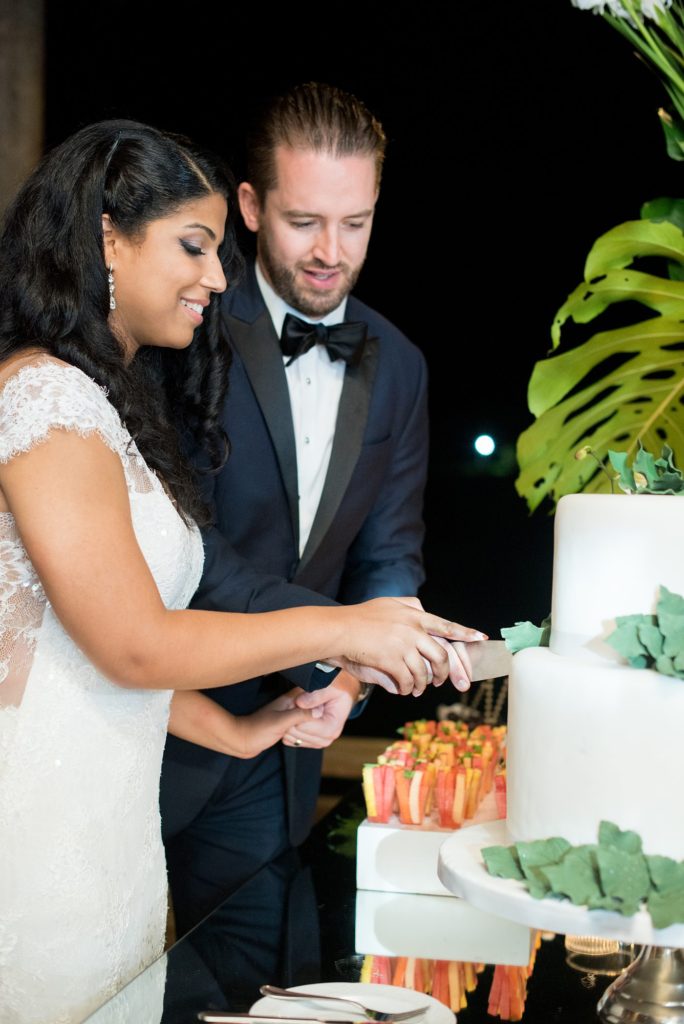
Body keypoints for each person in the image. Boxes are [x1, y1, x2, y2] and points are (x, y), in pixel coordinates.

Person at [0, 117, 481, 1024]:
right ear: (107, 237)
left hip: (148, 797)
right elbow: (135, 638)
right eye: (195, 245)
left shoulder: (112, 386)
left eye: (358, 221)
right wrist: (341, 630)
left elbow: (81, 630)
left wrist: (256, 720)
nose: (214, 276)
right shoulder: (49, 396)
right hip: (51, 815)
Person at [160, 82, 464, 935]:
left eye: (355, 223)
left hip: (284, 756)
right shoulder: (185, 326)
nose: (332, 251)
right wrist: (332, 648)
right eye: (305, 222)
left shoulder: (400, 365)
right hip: (153, 721)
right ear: (250, 207)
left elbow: (389, 555)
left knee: (253, 984)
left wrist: (355, 680)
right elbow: (189, 547)